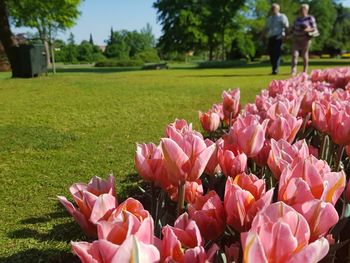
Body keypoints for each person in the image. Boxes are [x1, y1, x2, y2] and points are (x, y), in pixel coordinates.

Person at [291, 4, 318, 75]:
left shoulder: (310, 18)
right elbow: (293, 28)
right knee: (294, 54)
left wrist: (307, 29)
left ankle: (305, 70)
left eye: (303, 9)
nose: (301, 11)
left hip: (306, 39)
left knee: (304, 54)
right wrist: (289, 32)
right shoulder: (297, 19)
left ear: (306, 10)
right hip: (296, 38)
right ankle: (293, 69)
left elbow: (314, 29)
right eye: (300, 9)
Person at [266, 3, 289, 75]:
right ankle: (274, 68)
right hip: (271, 37)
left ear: (278, 9)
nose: (273, 10)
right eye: (272, 8)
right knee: (271, 54)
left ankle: (275, 69)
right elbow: (266, 28)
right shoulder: (269, 18)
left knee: (276, 53)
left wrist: (286, 37)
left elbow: (286, 27)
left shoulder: (282, 16)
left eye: (274, 8)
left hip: (278, 37)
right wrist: (263, 36)